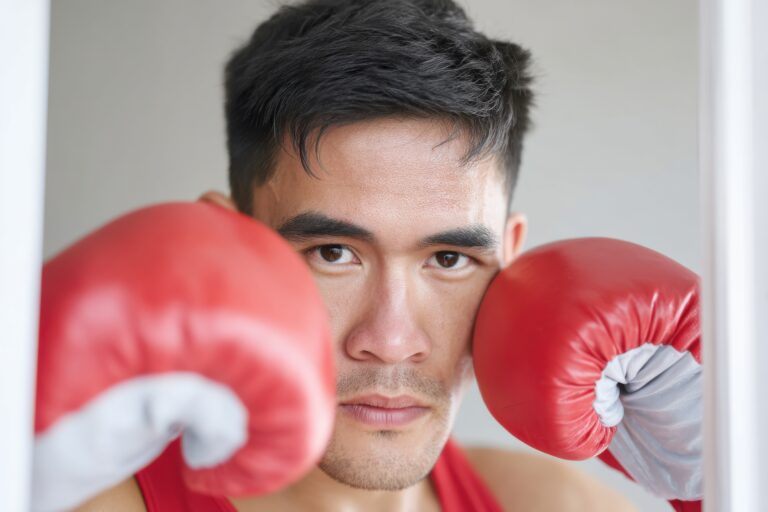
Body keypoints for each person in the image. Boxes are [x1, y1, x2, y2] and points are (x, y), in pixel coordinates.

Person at [37, 1, 661, 510]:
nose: (390, 341)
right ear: (228, 248)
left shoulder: (549, 503)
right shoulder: (84, 500)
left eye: (448, 259)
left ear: (510, 262)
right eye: (333, 252)